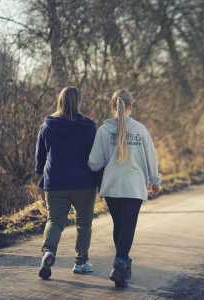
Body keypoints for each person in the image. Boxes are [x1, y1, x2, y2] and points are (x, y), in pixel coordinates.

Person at [88, 89, 161, 288]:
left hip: (112, 187)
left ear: (113, 106)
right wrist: (155, 180)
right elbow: (151, 158)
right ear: (131, 106)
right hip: (134, 187)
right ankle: (120, 264)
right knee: (127, 226)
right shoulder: (140, 130)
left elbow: (94, 163)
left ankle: (122, 264)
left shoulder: (103, 131)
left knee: (120, 226)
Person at [35, 86, 98, 279]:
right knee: (84, 224)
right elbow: (96, 156)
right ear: (78, 102)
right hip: (84, 183)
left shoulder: (48, 125)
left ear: (60, 101)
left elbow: (40, 156)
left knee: (54, 221)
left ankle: (48, 252)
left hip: (55, 182)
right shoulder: (89, 126)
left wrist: (40, 174)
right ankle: (81, 262)